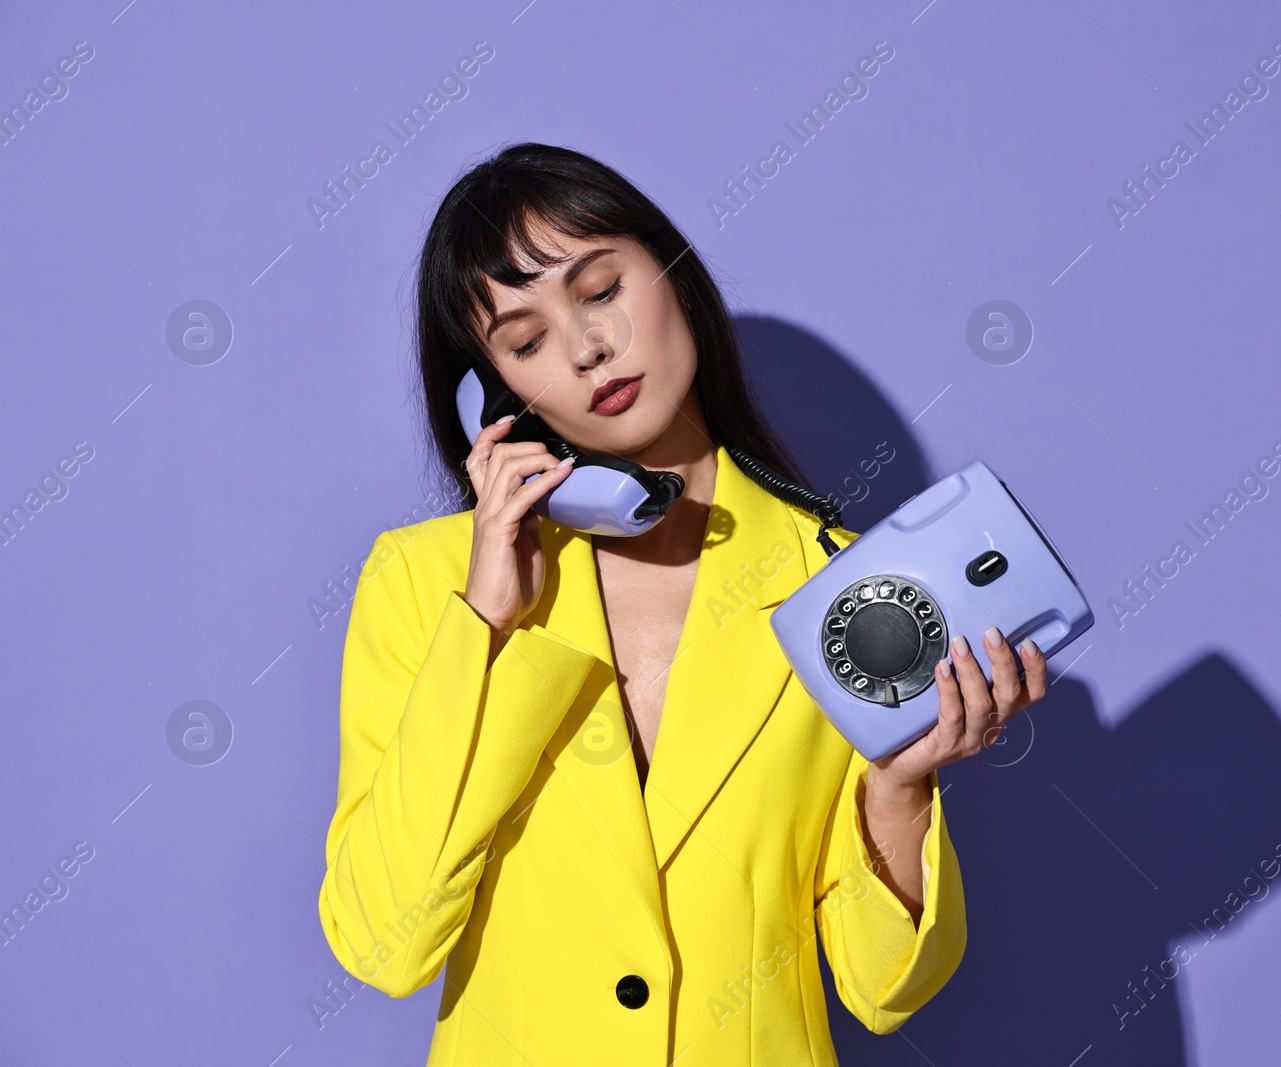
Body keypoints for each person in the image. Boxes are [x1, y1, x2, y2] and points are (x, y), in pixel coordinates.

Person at [316, 143, 1048, 1065]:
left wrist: (899, 787)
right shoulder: (426, 584)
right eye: (527, 342)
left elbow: (884, 986)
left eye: (600, 289)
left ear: (672, 275)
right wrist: (485, 628)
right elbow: (383, 940)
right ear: (499, 398)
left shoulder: (845, 589)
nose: (585, 349)